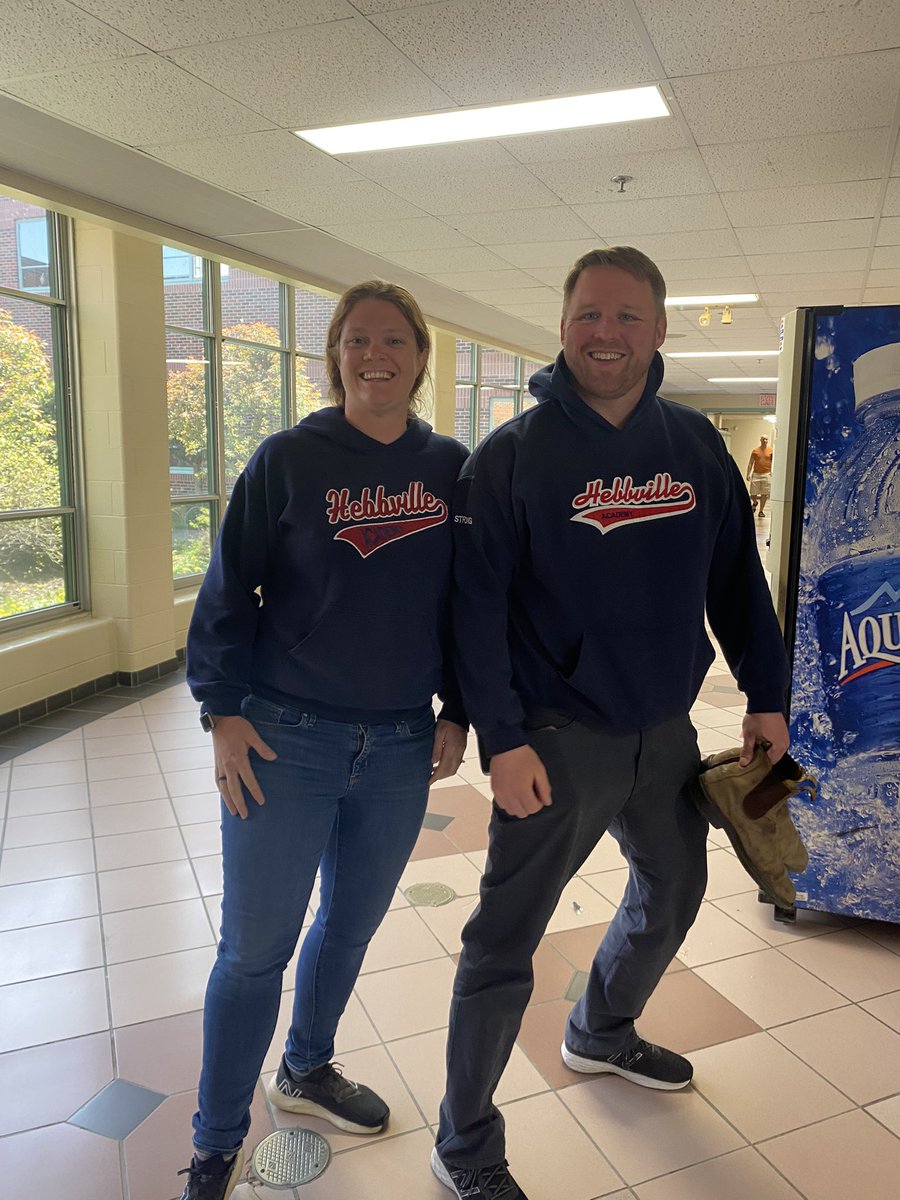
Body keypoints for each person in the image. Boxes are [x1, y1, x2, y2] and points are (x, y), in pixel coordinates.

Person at [431, 247, 790, 1200]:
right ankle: (463, 1139)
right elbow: (474, 610)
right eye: (590, 314)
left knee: (674, 890)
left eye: (628, 317)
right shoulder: (512, 455)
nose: (606, 333)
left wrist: (767, 693)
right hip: (554, 738)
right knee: (505, 939)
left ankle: (600, 1027)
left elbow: (736, 581)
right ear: (563, 324)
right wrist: (499, 739)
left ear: (660, 330)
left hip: (663, 730)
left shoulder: (695, 446)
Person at [179, 280, 468, 1200]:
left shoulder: (453, 470)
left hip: (396, 747)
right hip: (282, 740)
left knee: (347, 927)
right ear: (334, 355)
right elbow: (228, 593)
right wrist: (223, 712)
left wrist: (457, 708)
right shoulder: (290, 460)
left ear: (421, 357)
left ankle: (307, 1066)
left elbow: (469, 606)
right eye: (356, 340)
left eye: (393, 340)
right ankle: (216, 1144)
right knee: (254, 951)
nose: (374, 355)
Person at [746, 434, 773, 517]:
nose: (765, 441)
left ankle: (761, 511)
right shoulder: (755, 451)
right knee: (753, 493)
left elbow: (774, 462)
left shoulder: (771, 450)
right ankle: (755, 502)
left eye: (766, 439)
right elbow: (751, 463)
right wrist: (748, 474)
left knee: (764, 494)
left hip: (766, 474)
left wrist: (772, 472)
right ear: (760, 440)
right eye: (764, 439)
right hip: (756, 474)